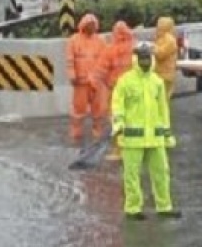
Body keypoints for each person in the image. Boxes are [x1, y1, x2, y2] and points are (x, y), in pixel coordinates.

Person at [112, 42, 180, 220]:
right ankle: (133, 208)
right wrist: (118, 122)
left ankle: (164, 206)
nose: (145, 61)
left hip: (155, 139)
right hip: (133, 139)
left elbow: (163, 110)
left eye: (147, 57)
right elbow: (117, 104)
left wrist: (167, 133)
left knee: (161, 172)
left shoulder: (157, 82)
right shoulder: (125, 81)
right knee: (132, 175)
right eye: (141, 57)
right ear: (135, 58)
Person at [66, 14, 108, 145]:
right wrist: (72, 75)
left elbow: (105, 60)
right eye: (90, 25)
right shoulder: (73, 40)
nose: (92, 28)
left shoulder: (101, 41)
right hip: (80, 82)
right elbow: (70, 60)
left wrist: (103, 77)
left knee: (99, 110)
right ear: (83, 26)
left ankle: (98, 132)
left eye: (94, 26)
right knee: (78, 110)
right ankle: (76, 133)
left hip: (96, 82)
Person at [104, 21, 137, 161]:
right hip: (133, 90)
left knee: (116, 118)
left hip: (116, 90)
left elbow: (103, 69)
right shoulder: (135, 47)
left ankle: (119, 150)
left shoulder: (111, 50)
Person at [152, 16, 179, 108]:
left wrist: (152, 48)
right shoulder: (161, 38)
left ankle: (162, 119)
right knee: (159, 100)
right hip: (159, 73)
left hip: (166, 74)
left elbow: (160, 54)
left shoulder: (169, 40)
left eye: (160, 24)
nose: (158, 26)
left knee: (163, 100)